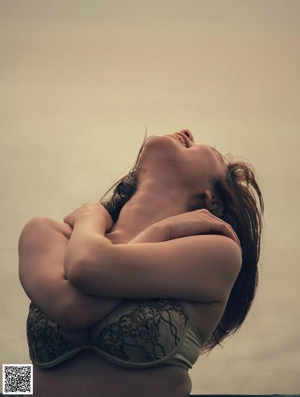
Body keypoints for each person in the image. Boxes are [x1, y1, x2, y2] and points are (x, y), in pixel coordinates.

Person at [19, 129, 264, 397]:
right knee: (11, 377)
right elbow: (69, 307)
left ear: (211, 200)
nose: (186, 133)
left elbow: (85, 272)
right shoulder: (45, 231)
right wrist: (159, 232)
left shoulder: (219, 252)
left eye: (210, 150)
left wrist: (92, 219)